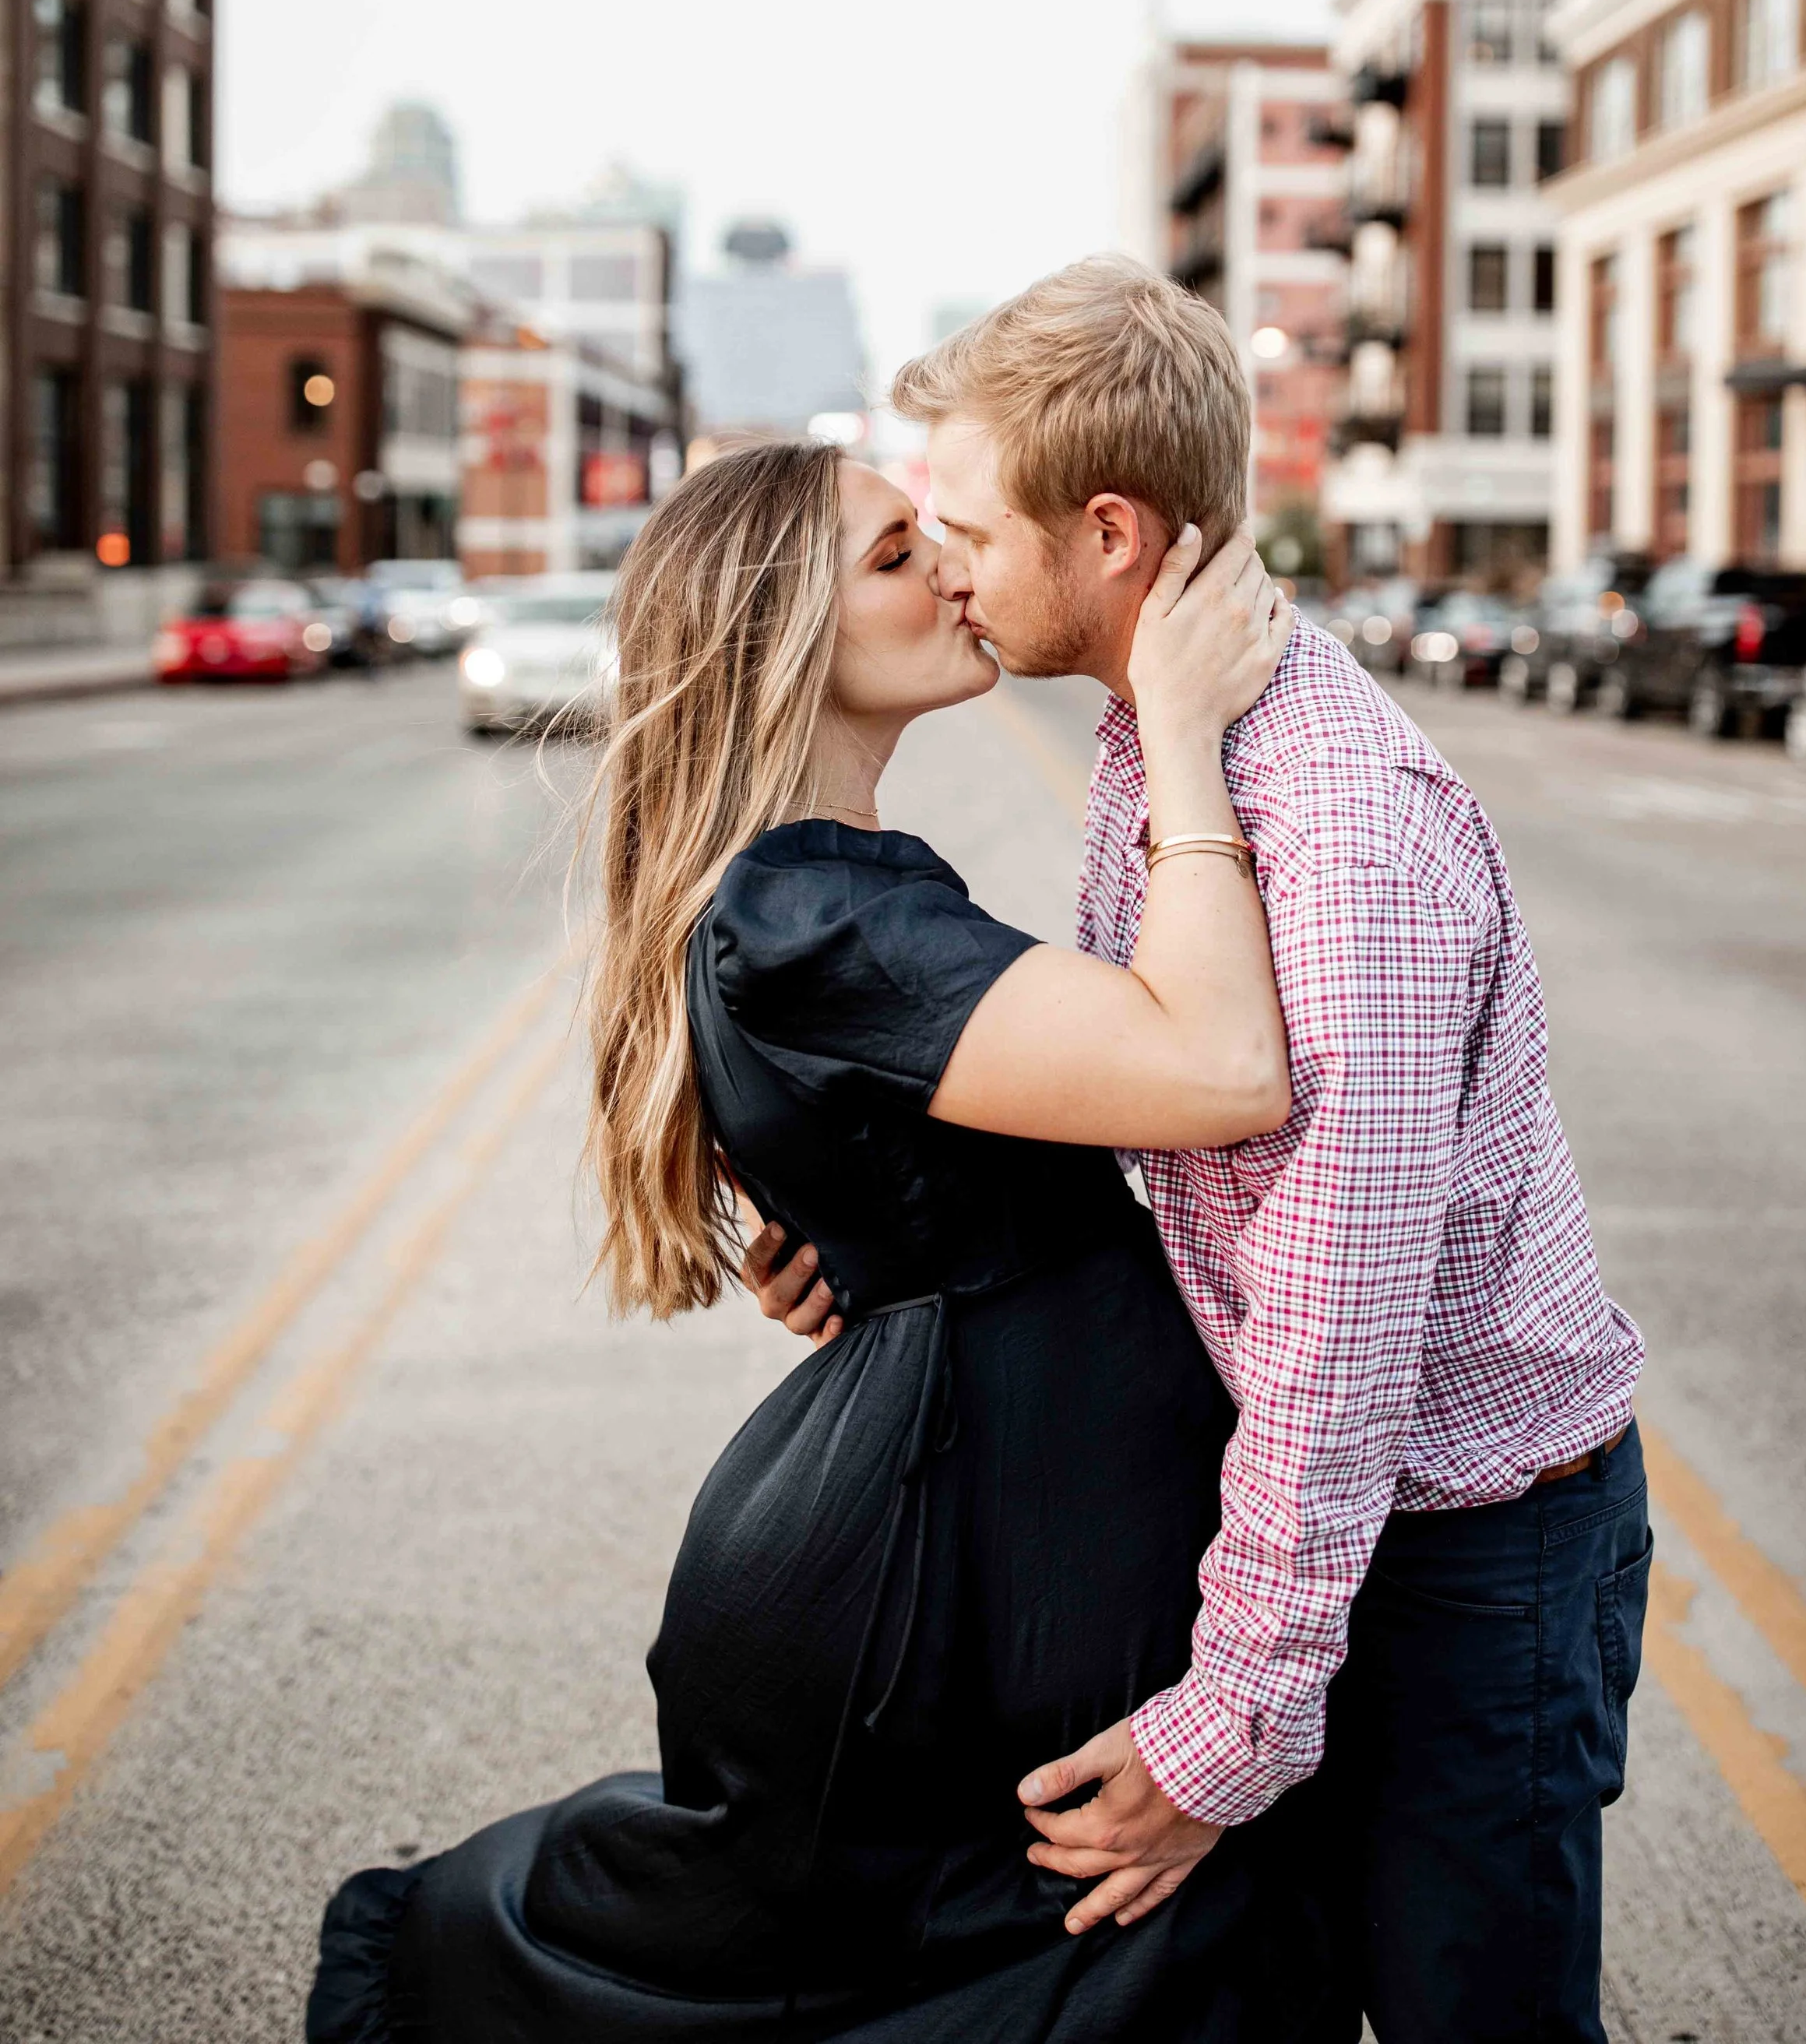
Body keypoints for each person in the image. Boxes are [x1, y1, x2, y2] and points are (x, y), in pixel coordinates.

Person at [747, 255, 1651, 2044]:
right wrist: (887, 1248)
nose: (951, 571)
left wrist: (1225, 1723)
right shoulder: (1172, 740)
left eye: (970, 533)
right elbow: (1157, 1143)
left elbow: (1331, 1343)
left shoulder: (1340, 848)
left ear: (1105, 533)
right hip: (1321, 1537)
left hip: (1461, 1561)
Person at [308, 434, 1311, 2044]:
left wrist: (867, 1245)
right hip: (950, 1549)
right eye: (892, 556)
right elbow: (1215, 1069)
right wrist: (1183, 737)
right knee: (1042, 1958)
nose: (950, 569)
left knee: (1022, 1957)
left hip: (954, 1496)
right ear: (784, 633)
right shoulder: (810, 904)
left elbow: (887, 1168)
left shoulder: (805, 888)